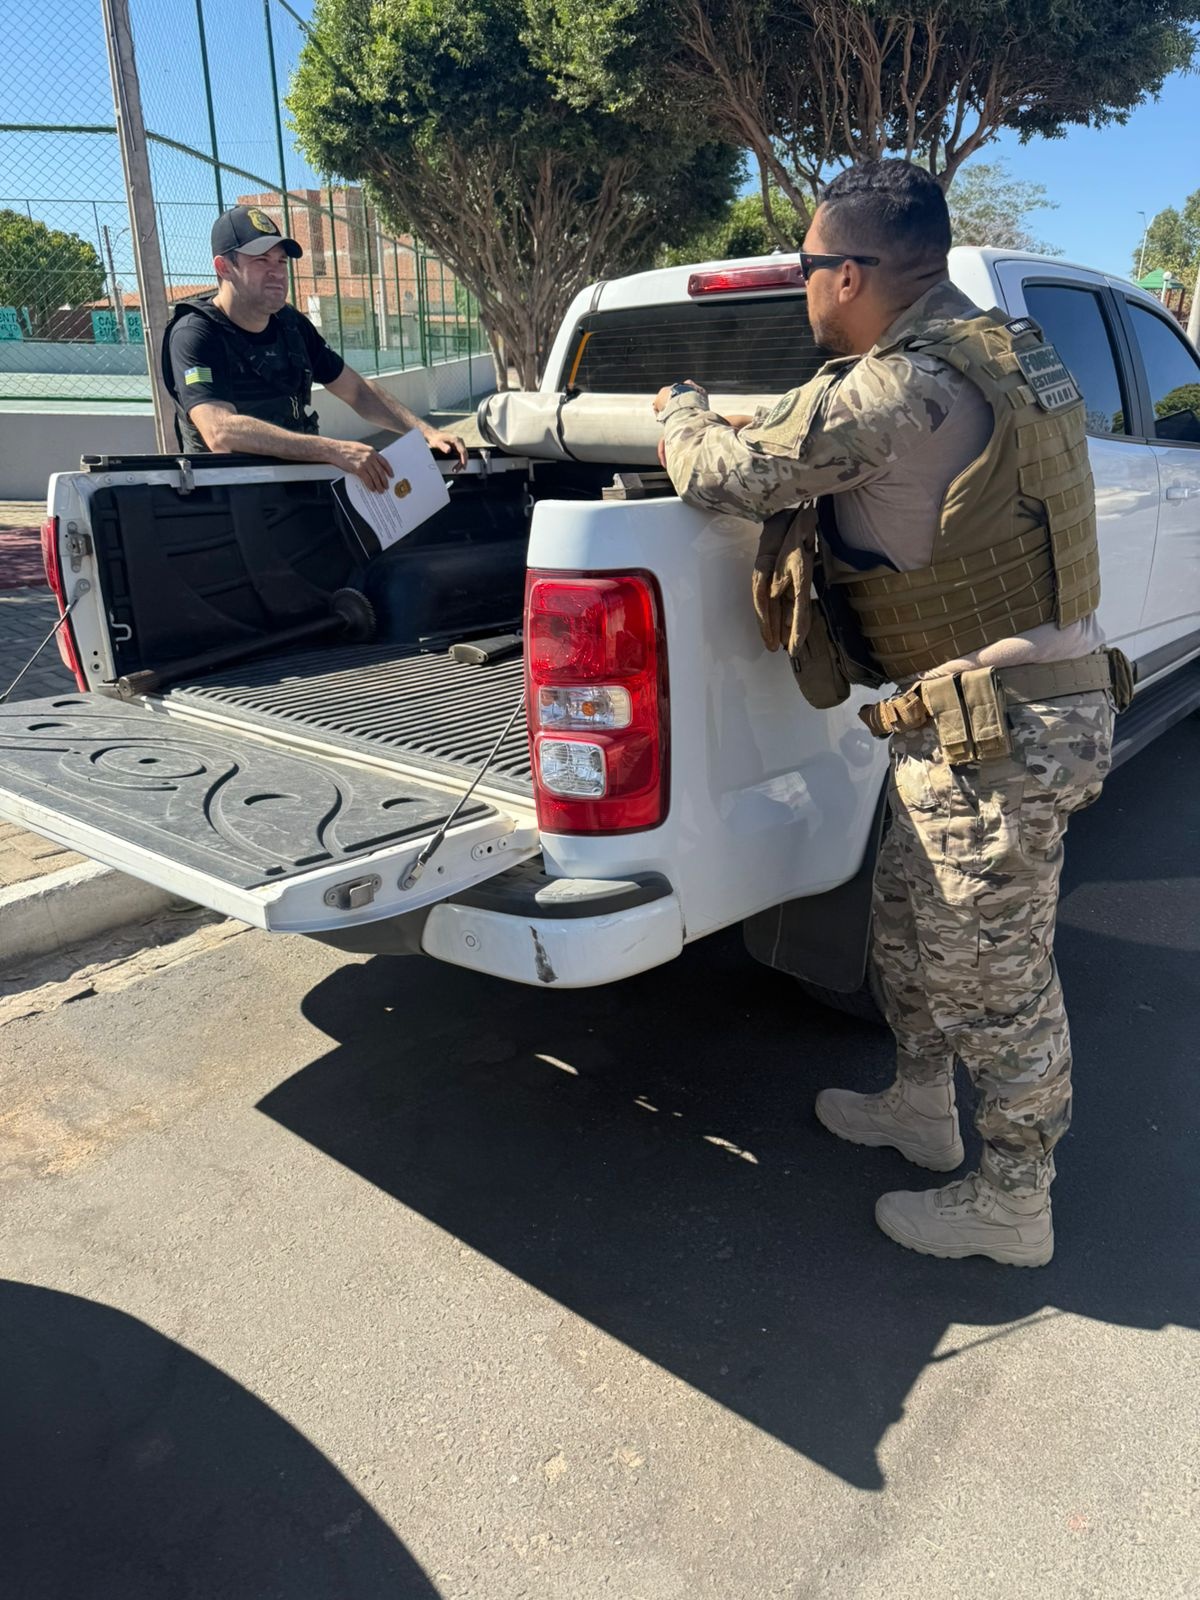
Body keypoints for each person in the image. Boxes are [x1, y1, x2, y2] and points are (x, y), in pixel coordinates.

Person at [652, 159, 1128, 1267]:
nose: (804, 286)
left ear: (853, 273)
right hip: (972, 724)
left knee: (995, 978)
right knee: (912, 936)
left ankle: (1017, 1198)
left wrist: (680, 412)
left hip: (998, 733)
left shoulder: (900, 384)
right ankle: (921, 1106)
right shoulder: (1000, 348)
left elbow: (729, 474)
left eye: (809, 267)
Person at [163, 204, 466, 487]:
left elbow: (358, 391)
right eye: (260, 260)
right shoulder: (195, 334)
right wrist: (334, 450)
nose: (277, 272)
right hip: (232, 502)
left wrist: (425, 432)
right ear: (223, 267)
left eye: (281, 261)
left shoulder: (291, 325)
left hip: (298, 493)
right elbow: (220, 431)